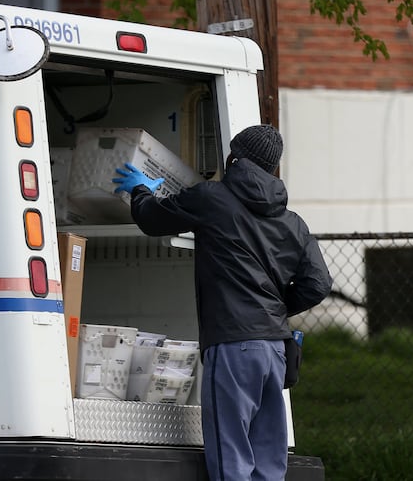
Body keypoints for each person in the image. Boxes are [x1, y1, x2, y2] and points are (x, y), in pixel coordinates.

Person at [113, 124, 332, 481]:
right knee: (268, 463)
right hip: (276, 348)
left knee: (231, 461)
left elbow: (152, 219)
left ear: (235, 158)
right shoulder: (293, 222)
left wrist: (139, 190)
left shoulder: (213, 198)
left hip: (233, 349)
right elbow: (318, 283)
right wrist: (273, 311)